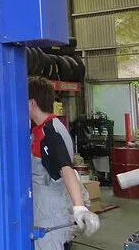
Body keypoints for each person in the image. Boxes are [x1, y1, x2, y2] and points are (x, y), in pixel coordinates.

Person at [29, 76, 100, 250]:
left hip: (49, 211)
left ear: (32, 103)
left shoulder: (49, 133)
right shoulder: (47, 127)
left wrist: (79, 207)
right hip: (46, 206)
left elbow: (66, 169)